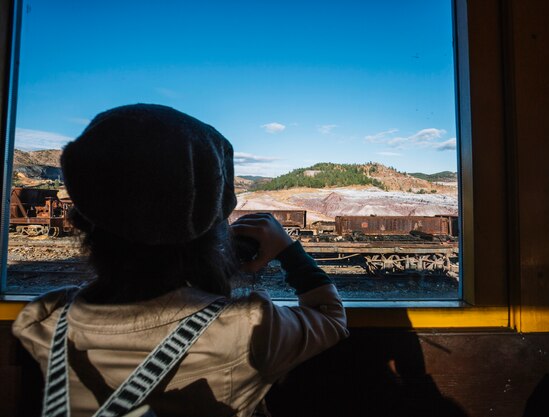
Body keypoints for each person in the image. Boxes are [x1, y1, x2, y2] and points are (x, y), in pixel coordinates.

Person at [12, 104, 349, 417]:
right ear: (209, 226)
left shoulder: (43, 319)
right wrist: (289, 251)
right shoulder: (249, 327)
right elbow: (331, 319)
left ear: (84, 219)